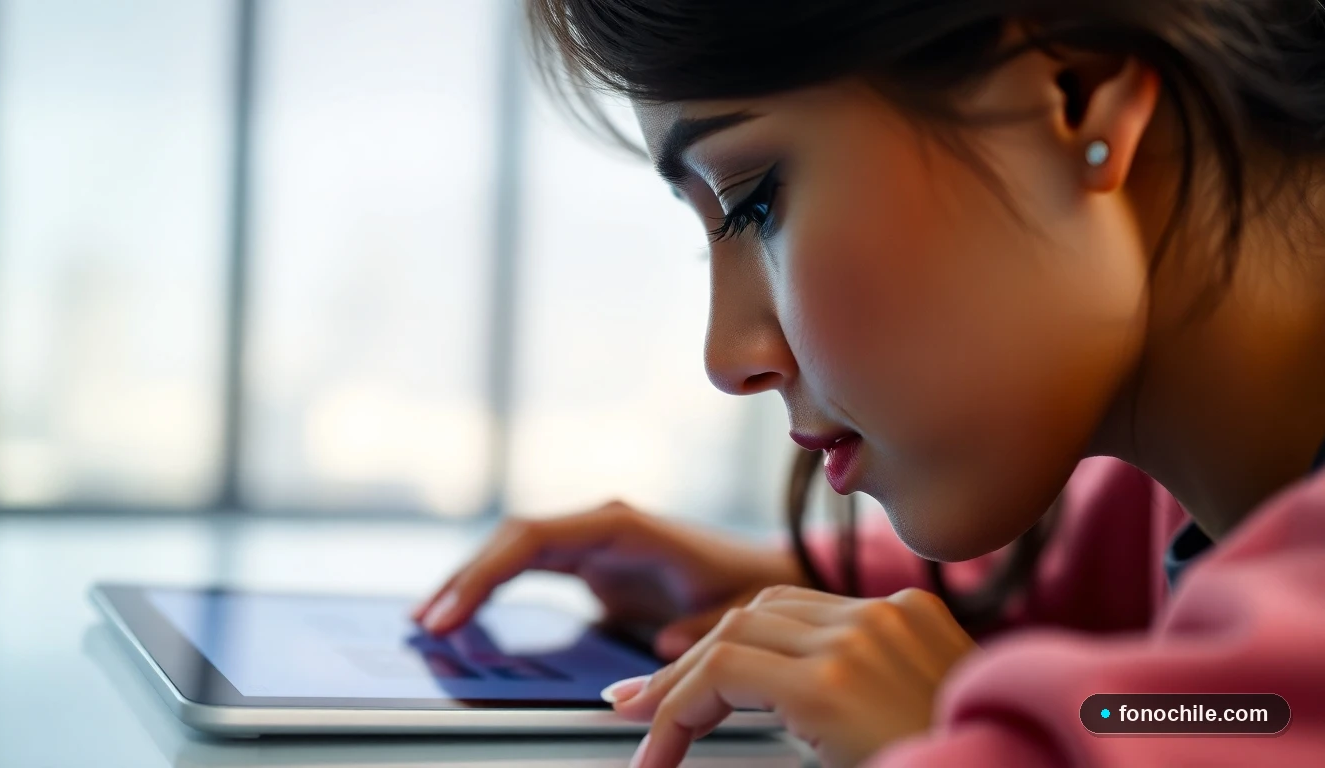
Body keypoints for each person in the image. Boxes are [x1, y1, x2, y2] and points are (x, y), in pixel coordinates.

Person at [412, 2, 1325, 766]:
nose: (727, 358)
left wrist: (958, 739)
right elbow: (1213, 697)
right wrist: (807, 594)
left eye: (756, 201)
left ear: (1075, 98)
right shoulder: (1192, 481)